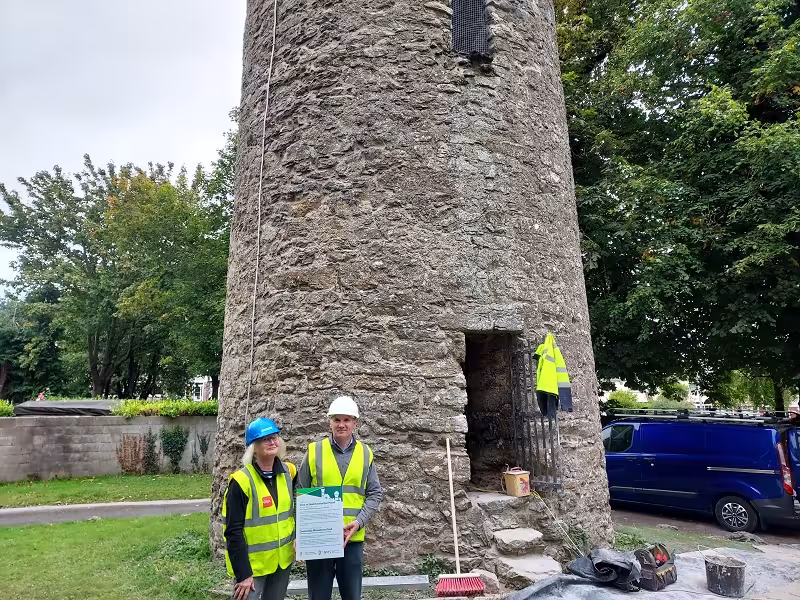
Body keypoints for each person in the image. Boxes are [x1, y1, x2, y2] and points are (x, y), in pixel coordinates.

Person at [297, 395, 383, 600]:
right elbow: (300, 491)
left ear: (355, 423)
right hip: (320, 537)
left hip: (351, 538)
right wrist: (301, 533)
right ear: (330, 422)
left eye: (346, 420)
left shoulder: (365, 453)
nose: (341, 424)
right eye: (336, 419)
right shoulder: (314, 451)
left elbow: (375, 493)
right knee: (318, 596)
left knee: (352, 596)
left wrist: (359, 522)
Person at [223, 417, 296, 600]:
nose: (272, 442)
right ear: (253, 448)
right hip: (252, 568)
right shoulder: (241, 481)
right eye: (265, 439)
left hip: (282, 562)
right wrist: (243, 574)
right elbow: (233, 531)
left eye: (274, 437)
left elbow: (298, 509)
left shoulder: (289, 473)